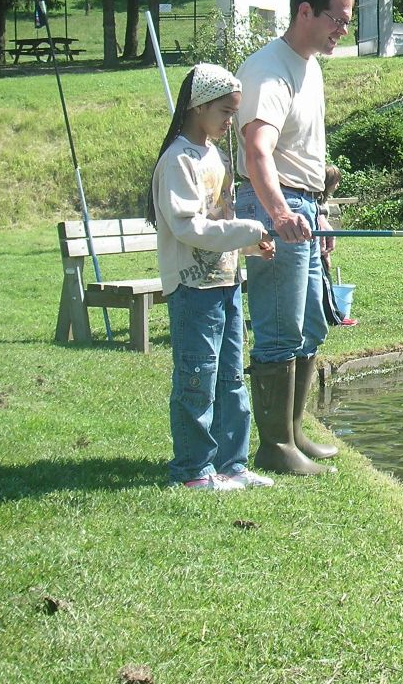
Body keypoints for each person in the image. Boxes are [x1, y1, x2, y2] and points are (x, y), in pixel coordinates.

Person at [234, 0, 354, 476]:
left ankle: (294, 431)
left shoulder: (311, 68)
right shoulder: (268, 69)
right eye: (338, 20)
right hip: (273, 208)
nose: (343, 30)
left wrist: (318, 214)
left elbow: (308, 157)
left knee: (309, 324)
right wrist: (281, 214)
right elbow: (256, 150)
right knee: (280, 328)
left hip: (304, 208)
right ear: (305, 12)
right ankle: (275, 447)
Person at [149, 63, 276, 491]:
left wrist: (248, 245)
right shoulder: (177, 161)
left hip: (226, 285)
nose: (230, 122)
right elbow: (189, 226)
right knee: (196, 378)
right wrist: (246, 232)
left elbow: (222, 223)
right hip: (192, 290)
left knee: (230, 378)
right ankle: (192, 471)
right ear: (197, 106)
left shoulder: (217, 158)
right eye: (225, 112)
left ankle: (232, 464)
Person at [319, 164, 356, 327]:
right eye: (336, 181)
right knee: (324, 281)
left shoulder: (322, 200)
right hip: (319, 247)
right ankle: (335, 317)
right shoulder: (318, 201)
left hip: (322, 246)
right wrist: (325, 253)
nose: (338, 185)